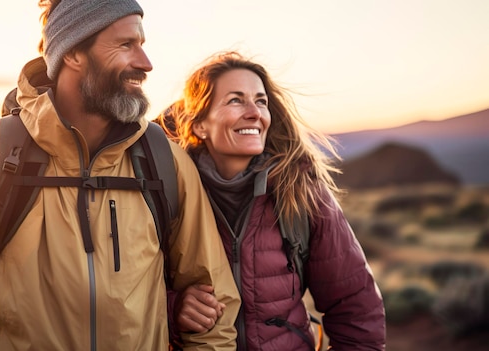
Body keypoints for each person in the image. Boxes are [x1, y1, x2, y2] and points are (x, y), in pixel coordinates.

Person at [0, 1, 241, 350]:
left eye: (142, 46)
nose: (145, 63)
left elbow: (215, 310)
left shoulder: (165, 162)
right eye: (125, 45)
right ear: (73, 53)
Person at [155, 51, 386, 350]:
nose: (254, 112)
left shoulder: (301, 191)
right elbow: (124, 291)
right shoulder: (166, 196)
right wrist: (174, 308)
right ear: (200, 125)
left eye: (261, 101)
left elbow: (356, 306)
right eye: (235, 100)